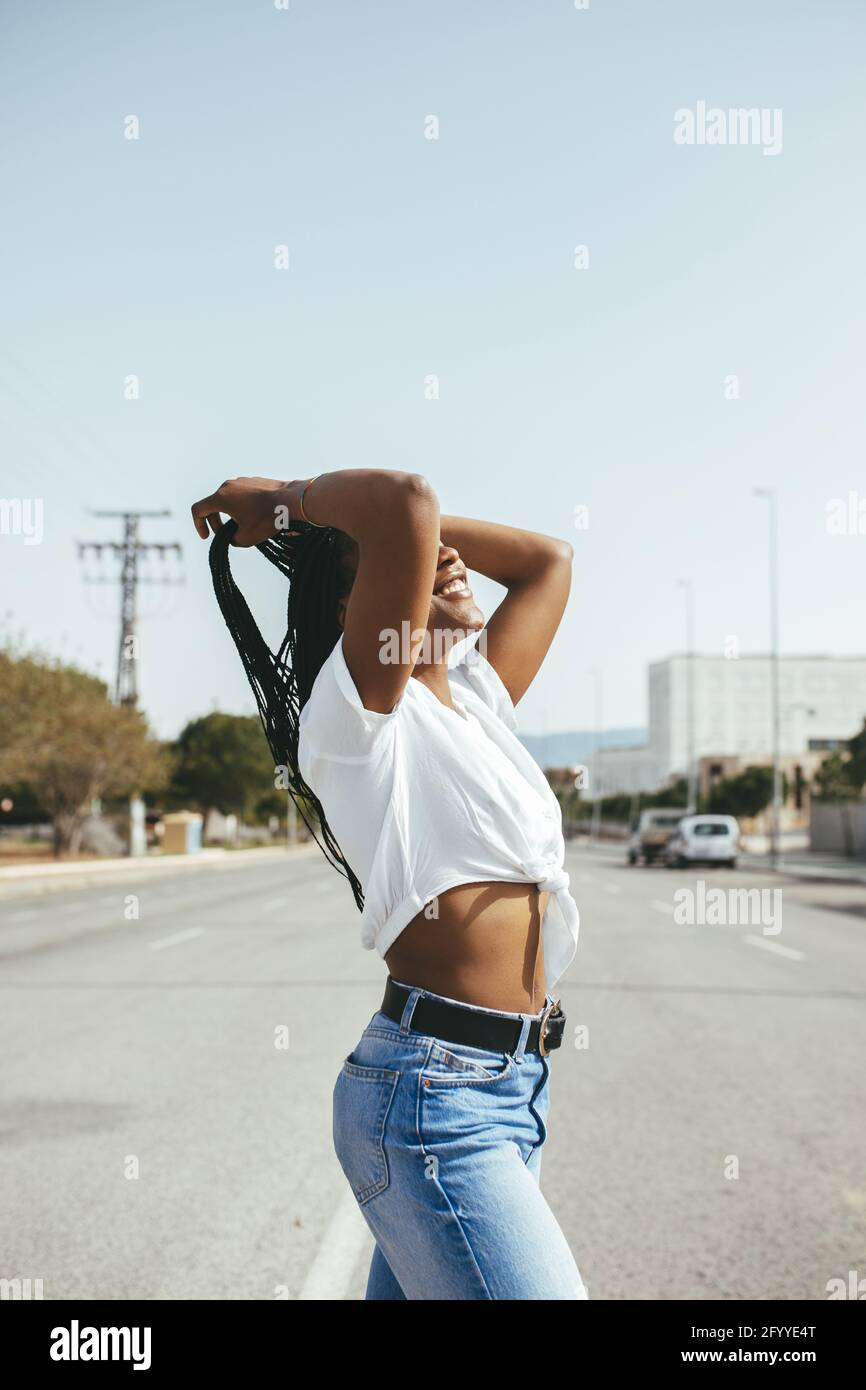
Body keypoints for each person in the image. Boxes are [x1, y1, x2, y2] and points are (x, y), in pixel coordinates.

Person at [192, 470, 587, 1300]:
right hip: (434, 1102)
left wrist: (419, 537)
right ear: (358, 613)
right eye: (417, 562)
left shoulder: (476, 702)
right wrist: (287, 501)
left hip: (509, 1088)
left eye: (449, 554)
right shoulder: (356, 720)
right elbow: (405, 501)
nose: (449, 558)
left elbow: (546, 562)